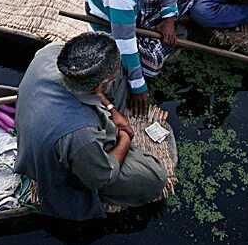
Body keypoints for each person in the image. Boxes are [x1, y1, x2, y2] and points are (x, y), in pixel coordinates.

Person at [14, 32, 168, 221]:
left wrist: (113, 111)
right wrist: (125, 139)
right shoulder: (81, 135)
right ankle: (115, 149)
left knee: (118, 74)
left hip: (64, 116)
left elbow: (93, 87)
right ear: (98, 87)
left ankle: (110, 116)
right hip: (63, 158)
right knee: (155, 177)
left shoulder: (48, 52)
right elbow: (102, 177)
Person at [85, 0, 194, 112]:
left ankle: (155, 35)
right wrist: (138, 87)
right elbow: (125, 44)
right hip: (113, 27)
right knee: (152, 67)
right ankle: (153, 41)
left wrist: (168, 20)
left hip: (137, 8)